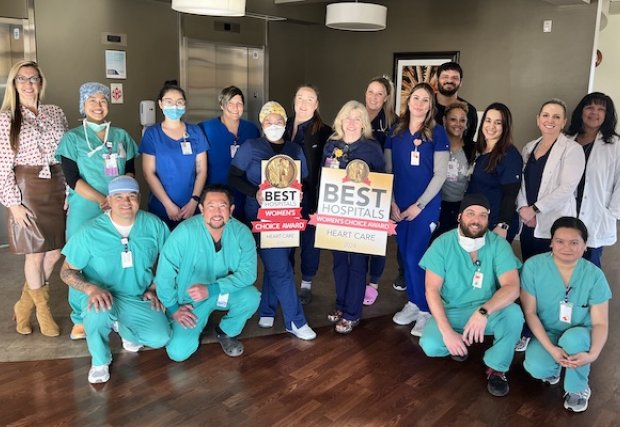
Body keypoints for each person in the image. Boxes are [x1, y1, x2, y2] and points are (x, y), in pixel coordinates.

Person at [59, 176, 171, 384]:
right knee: (97, 312)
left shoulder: (154, 226)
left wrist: (155, 286)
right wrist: (90, 289)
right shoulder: (89, 232)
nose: (125, 202)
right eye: (118, 196)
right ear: (108, 201)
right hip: (102, 297)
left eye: (131, 195)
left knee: (160, 338)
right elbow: (66, 272)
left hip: (136, 296)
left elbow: (171, 261)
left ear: (139, 198)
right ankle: (100, 361)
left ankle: (124, 328)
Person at [56, 82, 139, 340]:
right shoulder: (72, 138)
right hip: (85, 207)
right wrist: (104, 199)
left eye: (102, 100)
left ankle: (116, 311)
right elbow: (72, 179)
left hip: (120, 207)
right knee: (80, 260)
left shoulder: (121, 135)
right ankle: (80, 318)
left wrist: (118, 199)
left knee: (117, 256)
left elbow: (130, 171)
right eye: (91, 100)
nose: (98, 105)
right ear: (83, 105)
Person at [419, 194, 524, 397]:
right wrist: (447, 332)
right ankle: (458, 343)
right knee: (431, 344)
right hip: (453, 311)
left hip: (488, 310)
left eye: (482, 215)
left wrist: (483, 312)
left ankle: (497, 367)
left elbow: (512, 287)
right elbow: (431, 290)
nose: (476, 220)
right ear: (459, 217)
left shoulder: (498, 245)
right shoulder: (442, 244)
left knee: (514, 314)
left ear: (488, 219)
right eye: (471, 214)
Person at [228, 101, 316, 340]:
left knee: (281, 261)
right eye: (269, 121)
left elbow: (306, 180)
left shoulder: (294, 150)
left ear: (285, 124)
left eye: (279, 121)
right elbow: (234, 176)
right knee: (280, 266)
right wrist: (253, 192)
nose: (274, 125)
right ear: (262, 123)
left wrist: (300, 189)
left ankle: (267, 310)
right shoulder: (251, 147)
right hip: (260, 216)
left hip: (288, 216)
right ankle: (295, 321)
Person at [155, 184, 261, 361]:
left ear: (231, 209)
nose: (217, 212)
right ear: (202, 209)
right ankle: (199, 321)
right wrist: (173, 308)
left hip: (221, 293)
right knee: (178, 353)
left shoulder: (242, 233)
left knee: (251, 297)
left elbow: (248, 274)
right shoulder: (185, 232)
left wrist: (212, 289)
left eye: (223, 206)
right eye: (211, 206)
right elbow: (164, 274)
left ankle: (225, 332)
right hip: (190, 301)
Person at [0, 60, 67, 337]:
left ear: (41, 82)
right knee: (35, 253)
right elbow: (2, 164)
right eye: (22, 79)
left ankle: (24, 304)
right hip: (27, 188)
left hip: (57, 184)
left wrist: (70, 190)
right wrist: (13, 203)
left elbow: (67, 154)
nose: (28, 84)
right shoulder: (6, 118)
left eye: (34, 78)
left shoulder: (55, 112)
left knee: (55, 251)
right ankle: (42, 310)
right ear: (14, 84)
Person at [521, 217, 611, 412]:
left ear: (585, 246)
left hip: (580, 334)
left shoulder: (594, 276)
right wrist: (552, 350)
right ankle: (555, 366)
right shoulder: (533, 267)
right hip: (549, 331)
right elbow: (530, 312)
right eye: (560, 241)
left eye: (574, 242)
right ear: (551, 242)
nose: (566, 247)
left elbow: (600, 324)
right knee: (536, 367)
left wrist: (593, 355)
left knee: (574, 340)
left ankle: (577, 388)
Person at [386, 82, 449, 336]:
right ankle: (413, 302)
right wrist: (390, 201)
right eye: (416, 98)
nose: (420, 103)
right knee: (404, 253)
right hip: (398, 206)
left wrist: (419, 205)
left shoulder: (437, 133)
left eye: (425, 100)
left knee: (416, 256)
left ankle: (425, 310)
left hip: (425, 206)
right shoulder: (395, 131)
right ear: (408, 101)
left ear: (431, 106)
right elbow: (388, 170)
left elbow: (440, 174)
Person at [322, 100, 385, 333]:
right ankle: (341, 304)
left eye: (357, 118)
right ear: (340, 119)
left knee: (357, 263)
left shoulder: (371, 148)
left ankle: (352, 312)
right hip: (336, 214)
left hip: (361, 217)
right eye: (347, 117)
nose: (351, 122)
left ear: (363, 123)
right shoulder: (331, 146)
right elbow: (324, 178)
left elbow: (381, 182)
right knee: (339, 262)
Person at [517, 99, 585, 261]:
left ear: (564, 122)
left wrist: (534, 209)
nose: (550, 120)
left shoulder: (573, 149)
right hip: (528, 222)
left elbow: (566, 188)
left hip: (555, 222)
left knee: (551, 274)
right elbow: (520, 183)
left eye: (556, 117)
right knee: (530, 269)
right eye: (546, 115)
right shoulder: (528, 147)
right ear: (538, 119)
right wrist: (523, 210)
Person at [284, 85, 332, 305]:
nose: (303, 103)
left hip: (310, 197)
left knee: (309, 241)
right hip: (283, 197)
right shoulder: (281, 125)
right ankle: (285, 282)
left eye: (309, 99)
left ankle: (306, 284)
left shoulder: (325, 132)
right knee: (284, 240)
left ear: (316, 105)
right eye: (300, 98)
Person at [140, 80, 208, 230]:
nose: (174, 106)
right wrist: (168, 204)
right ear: (160, 104)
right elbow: (148, 173)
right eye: (169, 102)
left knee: (190, 249)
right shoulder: (152, 134)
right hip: (161, 207)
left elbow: (202, 170)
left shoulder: (195, 132)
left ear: (184, 105)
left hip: (191, 206)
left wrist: (194, 201)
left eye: (179, 102)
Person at [567, 92, 620, 268]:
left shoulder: (615, 145)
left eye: (600, 109)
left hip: (595, 214)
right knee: (560, 266)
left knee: (588, 269)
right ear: (581, 111)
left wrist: (611, 212)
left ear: (607, 115)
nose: (594, 112)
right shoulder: (567, 140)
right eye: (589, 107)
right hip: (566, 212)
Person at [198, 85, 260, 221]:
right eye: (230, 103)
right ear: (221, 105)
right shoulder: (205, 129)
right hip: (215, 195)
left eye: (239, 104)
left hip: (245, 194)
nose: (235, 108)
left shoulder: (251, 130)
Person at [364, 76, 398, 305]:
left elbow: (391, 161)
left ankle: (373, 284)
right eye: (370, 92)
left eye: (379, 94)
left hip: (379, 187)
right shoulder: (355, 115)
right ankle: (357, 278)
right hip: (355, 187)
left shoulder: (392, 123)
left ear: (386, 97)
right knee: (357, 235)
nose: (374, 97)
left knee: (376, 238)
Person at [466, 103, 522, 240]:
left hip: (495, 224)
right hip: (476, 221)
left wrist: (503, 225)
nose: (491, 126)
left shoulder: (510, 155)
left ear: (505, 127)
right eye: (488, 120)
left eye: (498, 123)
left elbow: (511, 194)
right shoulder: (479, 149)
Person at [432, 101, 472, 239]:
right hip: (437, 206)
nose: (457, 124)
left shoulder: (472, 149)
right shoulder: (435, 146)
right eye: (453, 119)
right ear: (444, 121)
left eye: (462, 120)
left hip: (461, 208)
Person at [433, 62, 478, 147]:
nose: (449, 81)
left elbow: (467, 144)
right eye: (445, 77)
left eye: (455, 78)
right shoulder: (425, 106)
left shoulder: (470, 111)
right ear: (437, 80)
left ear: (460, 82)